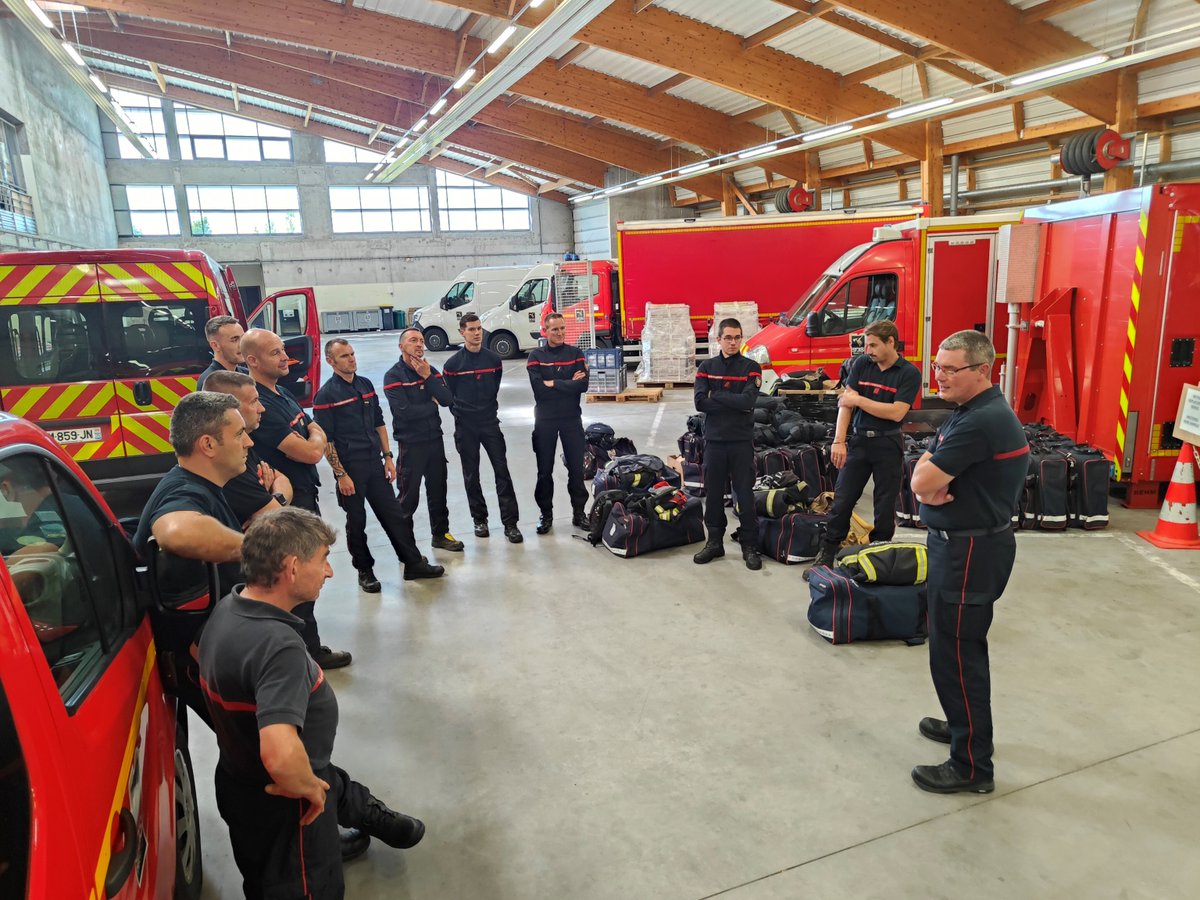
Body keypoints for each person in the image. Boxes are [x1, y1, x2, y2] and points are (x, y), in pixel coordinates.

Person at [198, 508, 425, 899]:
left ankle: (364, 814)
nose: (329, 571)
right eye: (322, 560)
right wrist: (310, 791)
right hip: (288, 810)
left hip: (240, 779)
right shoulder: (277, 646)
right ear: (291, 567)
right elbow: (282, 755)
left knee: (326, 781)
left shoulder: (229, 609)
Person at [909, 330, 1028, 794]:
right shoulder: (974, 412)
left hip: (970, 553)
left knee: (959, 654)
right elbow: (927, 473)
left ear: (983, 370)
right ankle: (962, 725)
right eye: (937, 366)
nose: (940, 375)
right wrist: (929, 472)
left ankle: (972, 765)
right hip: (963, 546)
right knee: (950, 648)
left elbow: (921, 482)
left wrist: (928, 478)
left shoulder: (980, 422)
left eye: (951, 369)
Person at [133, 391, 252, 726]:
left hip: (213, 651)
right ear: (208, 445)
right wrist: (258, 548)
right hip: (199, 659)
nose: (249, 443)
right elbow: (175, 532)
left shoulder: (201, 487)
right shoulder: (184, 492)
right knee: (255, 754)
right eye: (240, 434)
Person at [243, 328, 350, 670]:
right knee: (295, 577)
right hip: (288, 503)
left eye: (283, 350)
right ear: (253, 361)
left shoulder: (281, 393)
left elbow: (313, 427)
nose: (284, 357)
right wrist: (315, 436)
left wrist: (314, 433)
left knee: (305, 576)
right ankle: (304, 656)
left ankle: (307, 648)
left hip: (306, 493)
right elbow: (308, 450)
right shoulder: (262, 405)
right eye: (275, 352)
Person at [313, 339, 444, 589]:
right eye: (344, 356)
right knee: (357, 521)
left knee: (394, 515)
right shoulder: (326, 395)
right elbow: (326, 440)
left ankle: (413, 563)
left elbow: (379, 423)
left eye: (352, 354)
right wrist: (341, 475)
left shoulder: (365, 385)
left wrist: (388, 458)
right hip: (350, 468)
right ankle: (365, 571)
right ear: (331, 361)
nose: (351, 359)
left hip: (374, 463)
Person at [807, 319, 920, 574]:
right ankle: (828, 550)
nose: (867, 350)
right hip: (859, 442)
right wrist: (839, 440)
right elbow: (846, 404)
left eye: (873, 345)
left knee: (884, 504)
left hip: (888, 443)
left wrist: (859, 399)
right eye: (866, 345)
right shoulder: (861, 364)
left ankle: (879, 554)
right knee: (843, 500)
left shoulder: (908, 373)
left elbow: (896, 413)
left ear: (891, 342)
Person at [442, 313, 522, 543]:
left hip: (490, 424)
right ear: (461, 333)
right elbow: (450, 396)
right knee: (471, 475)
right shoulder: (453, 365)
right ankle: (480, 520)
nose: (477, 333)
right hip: (465, 426)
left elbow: (494, 388)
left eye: (479, 328)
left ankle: (510, 524)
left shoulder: (493, 361)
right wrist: (462, 415)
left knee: (502, 472)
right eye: (471, 329)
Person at [383, 328, 464, 552]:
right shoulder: (393, 376)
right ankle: (406, 545)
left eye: (421, 341)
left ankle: (440, 535)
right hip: (411, 445)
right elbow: (404, 412)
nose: (419, 345)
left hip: (434, 441)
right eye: (413, 341)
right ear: (401, 347)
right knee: (408, 498)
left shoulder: (431, 371)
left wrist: (428, 378)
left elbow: (447, 400)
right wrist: (431, 403)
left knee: (438, 491)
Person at [692, 318, 762, 571]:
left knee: (744, 494)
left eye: (737, 337)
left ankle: (750, 546)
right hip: (714, 441)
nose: (733, 342)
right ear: (718, 339)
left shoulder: (751, 367)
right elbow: (700, 402)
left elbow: (748, 402)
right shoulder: (707, 367)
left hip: (741, 442)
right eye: (728, 337)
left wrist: (716, 395)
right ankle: (714, 543)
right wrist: (731, 399)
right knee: (712, 495)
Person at [526, 312, 589, 534]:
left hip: (572, 419)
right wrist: (567, 383)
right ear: (545, 331)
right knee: (544, 471)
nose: (560, 333)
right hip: (545, 421)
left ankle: (579, 513)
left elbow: (583, 386)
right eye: (555, 329)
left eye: (562, 328)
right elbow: (539, 390)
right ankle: (546, 514)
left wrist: (553, 382)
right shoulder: (535, 356)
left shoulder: (575, 354)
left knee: (576, 469)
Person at [204, 370, 293, 525]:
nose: (261, 408)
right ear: (231, 408)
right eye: (254, 402)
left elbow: (282, 479)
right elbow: (276, 519)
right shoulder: (227, 460)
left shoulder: (243, 445)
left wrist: (274, 498)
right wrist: (272, 502)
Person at [197, 315, 247, 389]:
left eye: (242, 338)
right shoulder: (211, 383)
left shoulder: (246, 374)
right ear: (215, 345)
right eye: (234, 340)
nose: (241, 345)